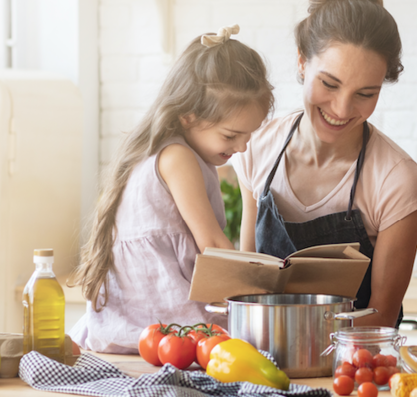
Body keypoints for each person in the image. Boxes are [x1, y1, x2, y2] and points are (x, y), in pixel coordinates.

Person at [235, 0, 417, 327]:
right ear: (302, 62)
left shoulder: (396, 178)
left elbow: (382, 317)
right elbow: (247, 288)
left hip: (352, 369)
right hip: (261, 363)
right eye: (329, 83)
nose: (341, 109)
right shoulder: (256, 148)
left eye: (365, 94)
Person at [70, 25, 274, 353]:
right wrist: (256, 293)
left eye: (248, 136)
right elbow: (211, 244)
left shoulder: (170, 150)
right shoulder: (178, 157)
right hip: (162, 317)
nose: (242, 147)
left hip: (137, 320)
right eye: (231, 136)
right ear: (188, 117)